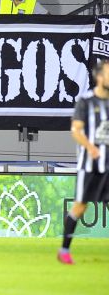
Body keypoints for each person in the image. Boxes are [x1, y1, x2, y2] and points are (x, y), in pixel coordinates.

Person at [58, 58, 109, 264]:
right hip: (89, 165)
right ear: (100, 77)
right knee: (80, 207)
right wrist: (91, 148)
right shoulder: (86, 102)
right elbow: (76, 131)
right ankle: (64, 250)